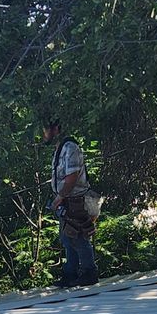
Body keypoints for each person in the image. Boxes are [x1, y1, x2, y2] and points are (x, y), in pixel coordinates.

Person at [44, 118, 98, 287]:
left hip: (75, 201)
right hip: (66, 201)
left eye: (45, 130)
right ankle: (71, 274)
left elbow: (72, 176)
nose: (43, 135)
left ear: (56, 129)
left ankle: (89, 272)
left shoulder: (70, 147)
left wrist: (60, 196)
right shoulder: (59, 148)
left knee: (79, 237)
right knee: (67, 238)